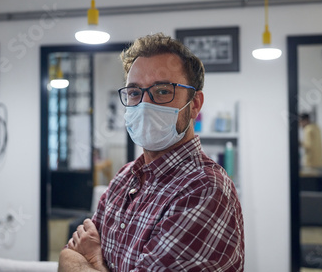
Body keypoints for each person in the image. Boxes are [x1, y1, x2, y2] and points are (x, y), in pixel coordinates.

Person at [59, 33, 245, 272]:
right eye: (135, 92)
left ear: (195, 104)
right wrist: (77, 261)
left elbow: (74, 262)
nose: (145, 105)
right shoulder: (124, 178)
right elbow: (67, 256)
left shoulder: (205, 189)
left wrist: (93, 261)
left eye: (163, 91)